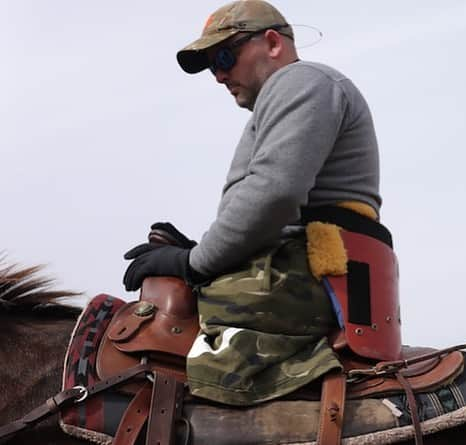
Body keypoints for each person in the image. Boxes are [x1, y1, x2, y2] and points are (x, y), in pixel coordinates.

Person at [123, 0, 388, 406]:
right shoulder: (290, 95)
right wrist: (198, 251)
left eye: (225, 55)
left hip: (308, 276)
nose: (219, 75)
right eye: (212, 66)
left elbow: (274, 194)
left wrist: (193, 262)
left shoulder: (302, 81)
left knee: (181, 362)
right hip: (300, 269)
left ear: (272, 43)